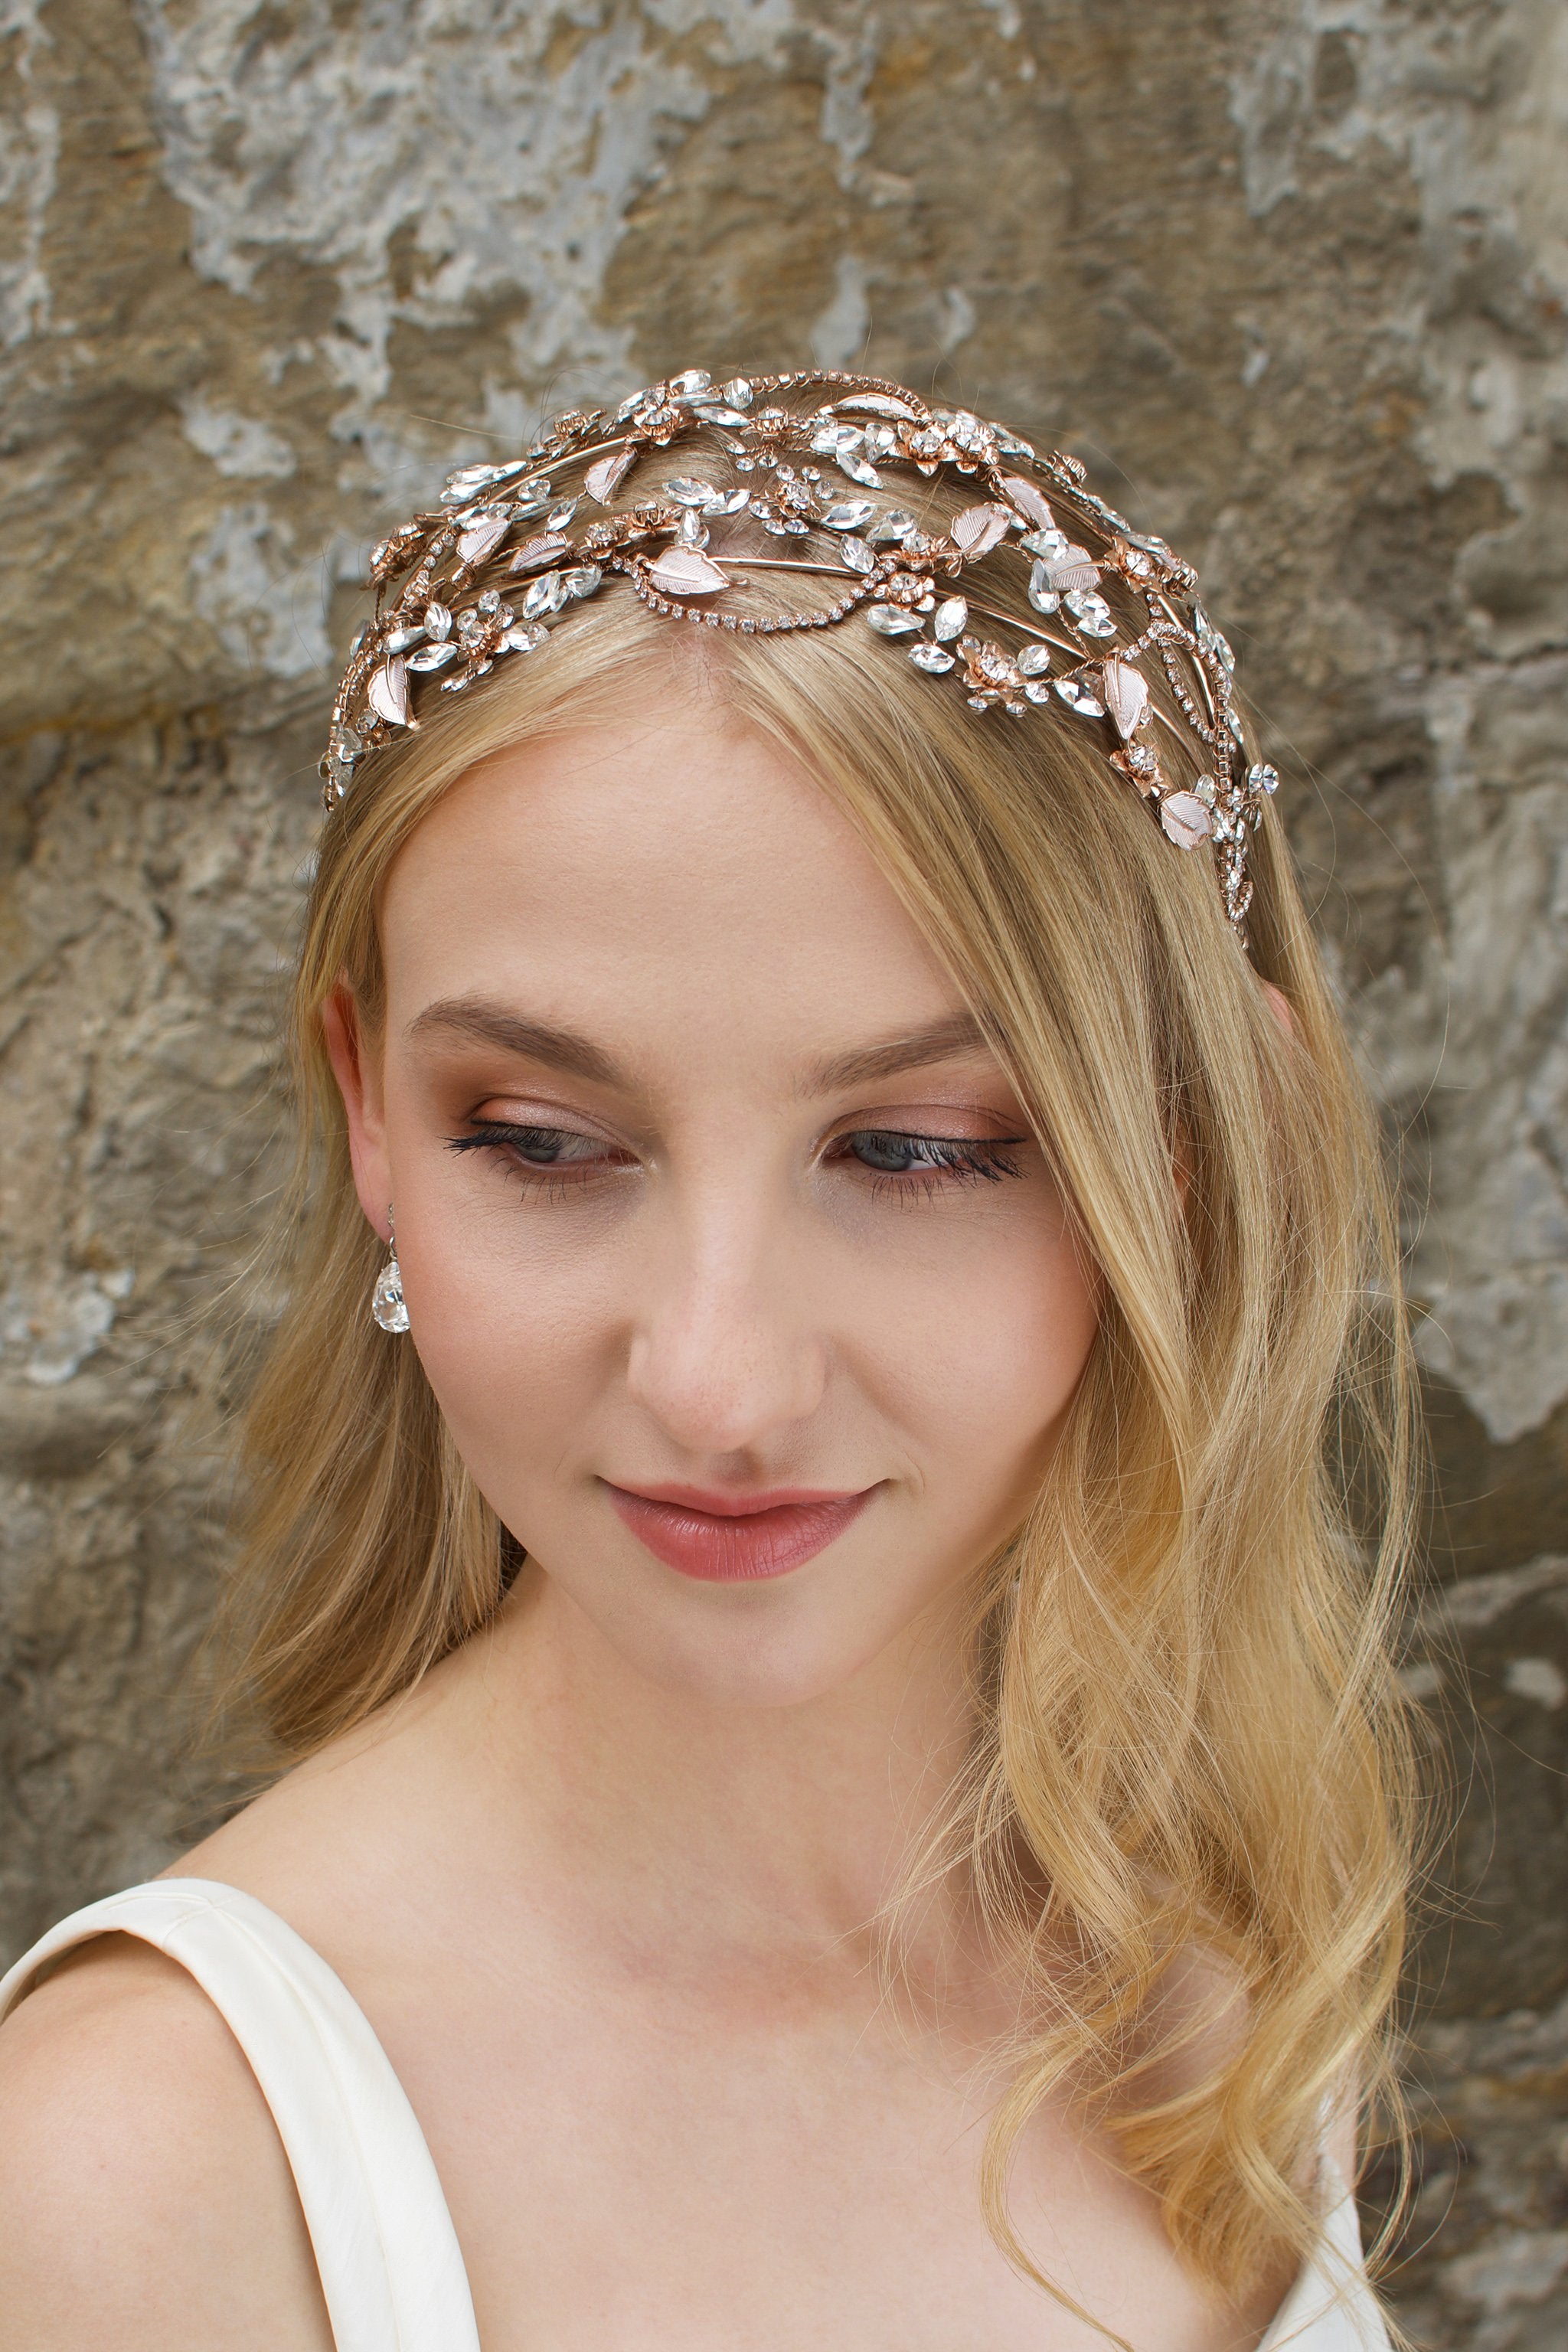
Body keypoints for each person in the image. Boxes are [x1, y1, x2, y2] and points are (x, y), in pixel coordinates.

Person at [0, 369, 1416, 2351]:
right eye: (546, 1143)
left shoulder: (1222, 1945)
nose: (718, 1387)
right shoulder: (139, 2183)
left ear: (1203, 1155)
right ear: (373, 1121)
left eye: (918, 1150)